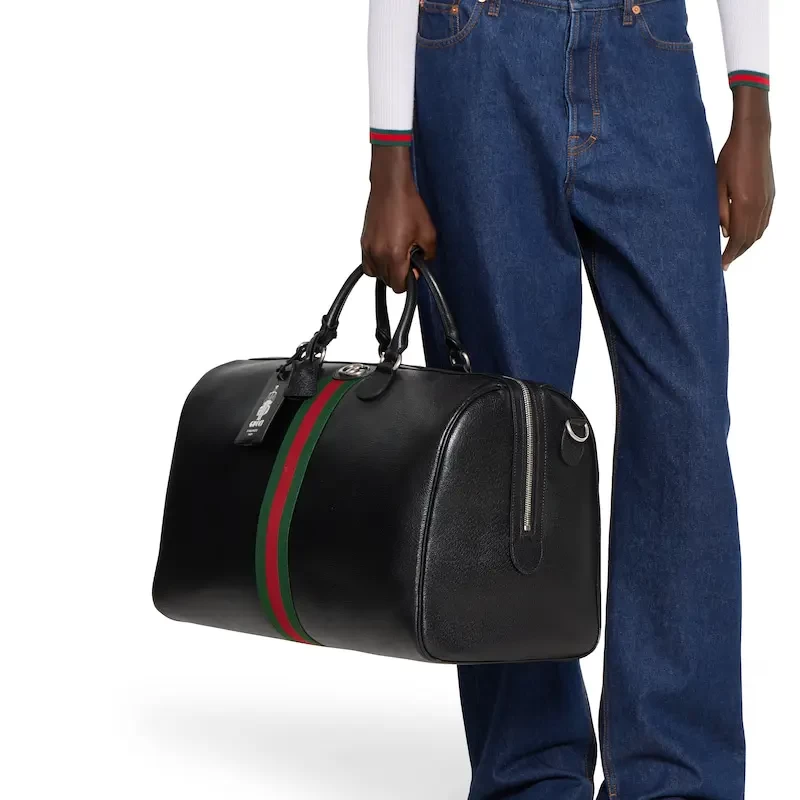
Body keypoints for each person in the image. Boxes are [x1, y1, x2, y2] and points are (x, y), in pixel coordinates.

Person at [361, 0, 773, 797]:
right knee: (503, 438)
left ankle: (677, 774)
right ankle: (529, 772)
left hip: (645, 49)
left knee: (685, 420)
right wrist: (389, 159)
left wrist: (751, 103)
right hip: (477, 53)